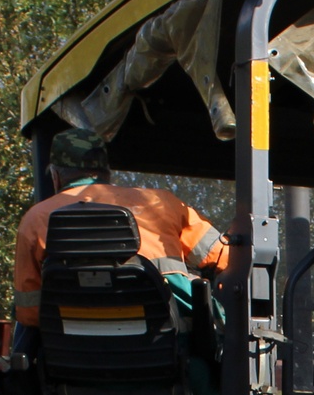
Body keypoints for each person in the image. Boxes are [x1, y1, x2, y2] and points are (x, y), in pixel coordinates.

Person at [12, 127, 232, 355]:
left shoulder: (35, 220)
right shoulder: (162, 204)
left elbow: (28, 312)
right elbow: (225, 258)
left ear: (56, 176)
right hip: (165, 356)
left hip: (75, 363)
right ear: (106, 173)